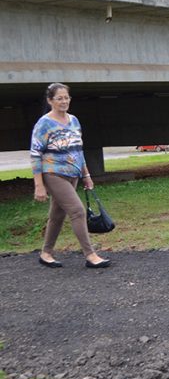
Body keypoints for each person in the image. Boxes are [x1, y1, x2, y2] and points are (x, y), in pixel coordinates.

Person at [30, 83, 111, 269]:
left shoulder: (74, 120)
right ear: (50, 100)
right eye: (59, 98)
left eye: (66, 98)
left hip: (73, 174)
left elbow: (78, 150)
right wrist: (39, 185)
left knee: (57, 215)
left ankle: (46, 252)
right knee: (77, 211)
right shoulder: (44, 123)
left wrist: (86, 175)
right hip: (53, 173)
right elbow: (35, 154)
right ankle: (90, 254)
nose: (64, 101)